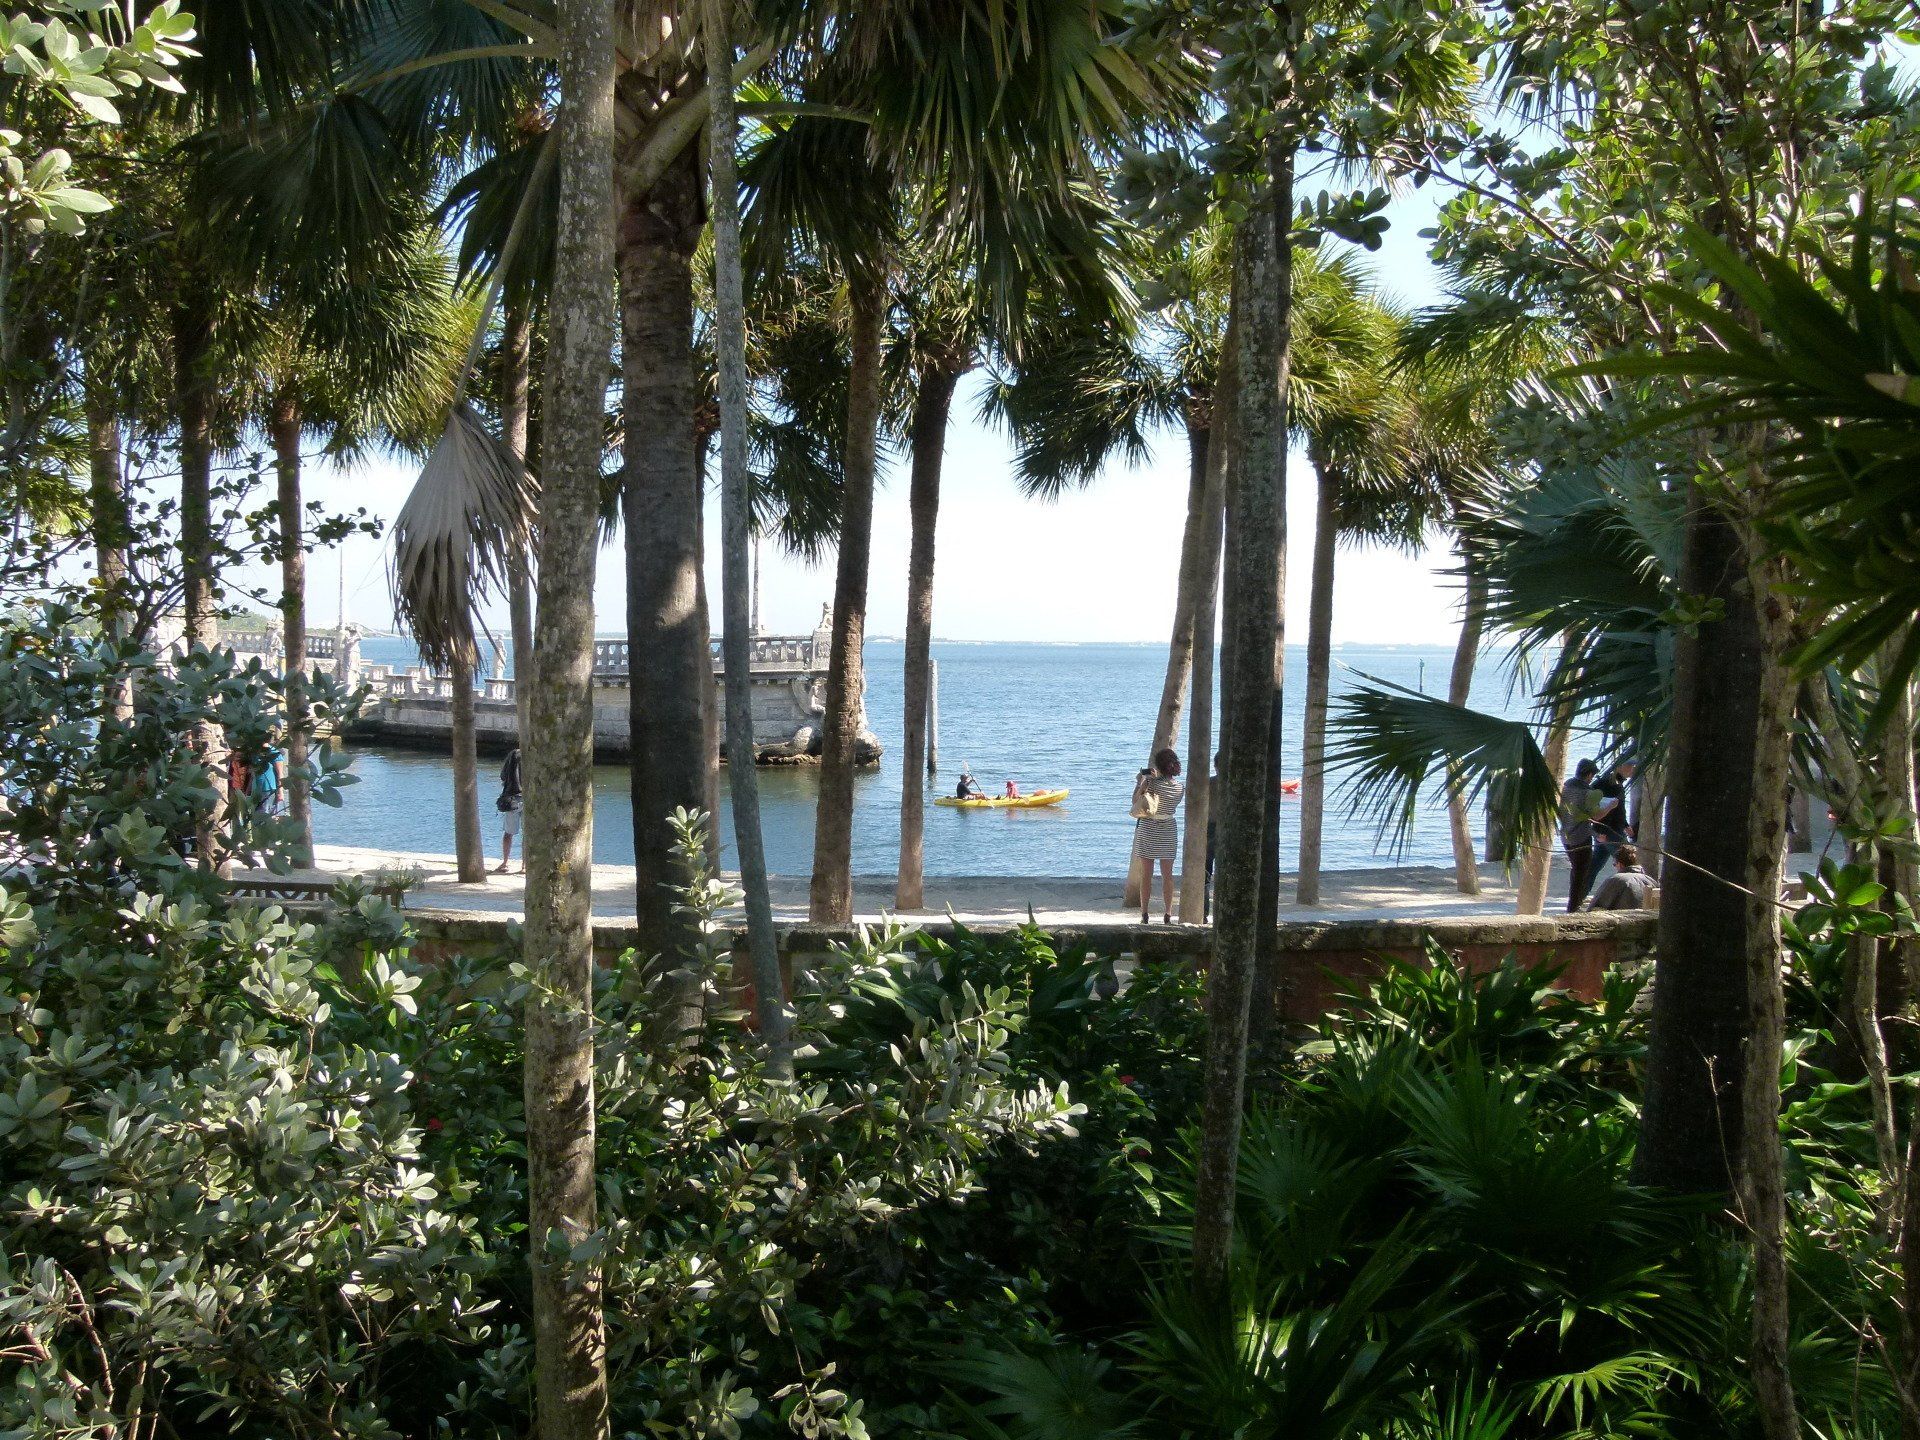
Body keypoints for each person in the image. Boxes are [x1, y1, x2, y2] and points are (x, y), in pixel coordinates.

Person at [1131, 747, 1185, 925]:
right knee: (1167, 875)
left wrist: (1141, 781)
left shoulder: (1151, 784)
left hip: (1149, 826)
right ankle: (1168, 913)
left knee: (1146, 874)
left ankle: (1145, 913)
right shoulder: (1179, 787)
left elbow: (1135, 800)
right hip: (1168, 828)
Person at [1560, 758, 1601, 912]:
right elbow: (1596, 816)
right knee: (1581, 873)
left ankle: (1574, 904)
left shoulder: (1566, 787)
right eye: (1592, 775)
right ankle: (1573, 907)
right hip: (1581, 837)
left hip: (1566, 836)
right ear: (1589, 775)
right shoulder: (1587, 792)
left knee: (1576, 869)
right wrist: (1611, 806)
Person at [1590, 757, 1639, 877]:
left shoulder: (1617, 783)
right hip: (1610, 831)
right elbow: (1612, 807)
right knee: (1628, 862)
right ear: (1619, 767)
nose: (1632, 769)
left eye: (1633, 766)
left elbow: (1618, 809)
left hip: (1607, 830)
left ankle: (1580, 893)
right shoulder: (1609, 783)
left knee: (1595, 866)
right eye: (1629, 766)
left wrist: (1626, 825)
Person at [1585, 843, 1658, 911]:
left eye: (1614, 864)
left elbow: (1594, 906)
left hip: (1624, 921)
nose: (1615, 867)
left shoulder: (1616, 879)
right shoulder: (1651, 881)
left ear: (1620, 864)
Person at [495, 744, 523, 875]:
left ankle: (505, 863)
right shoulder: (535, 755)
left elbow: (503, 776)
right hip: (529, 798)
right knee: (528, 834)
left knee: (508, 833)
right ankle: (525, 865)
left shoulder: (513, 755)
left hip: (512, 798)